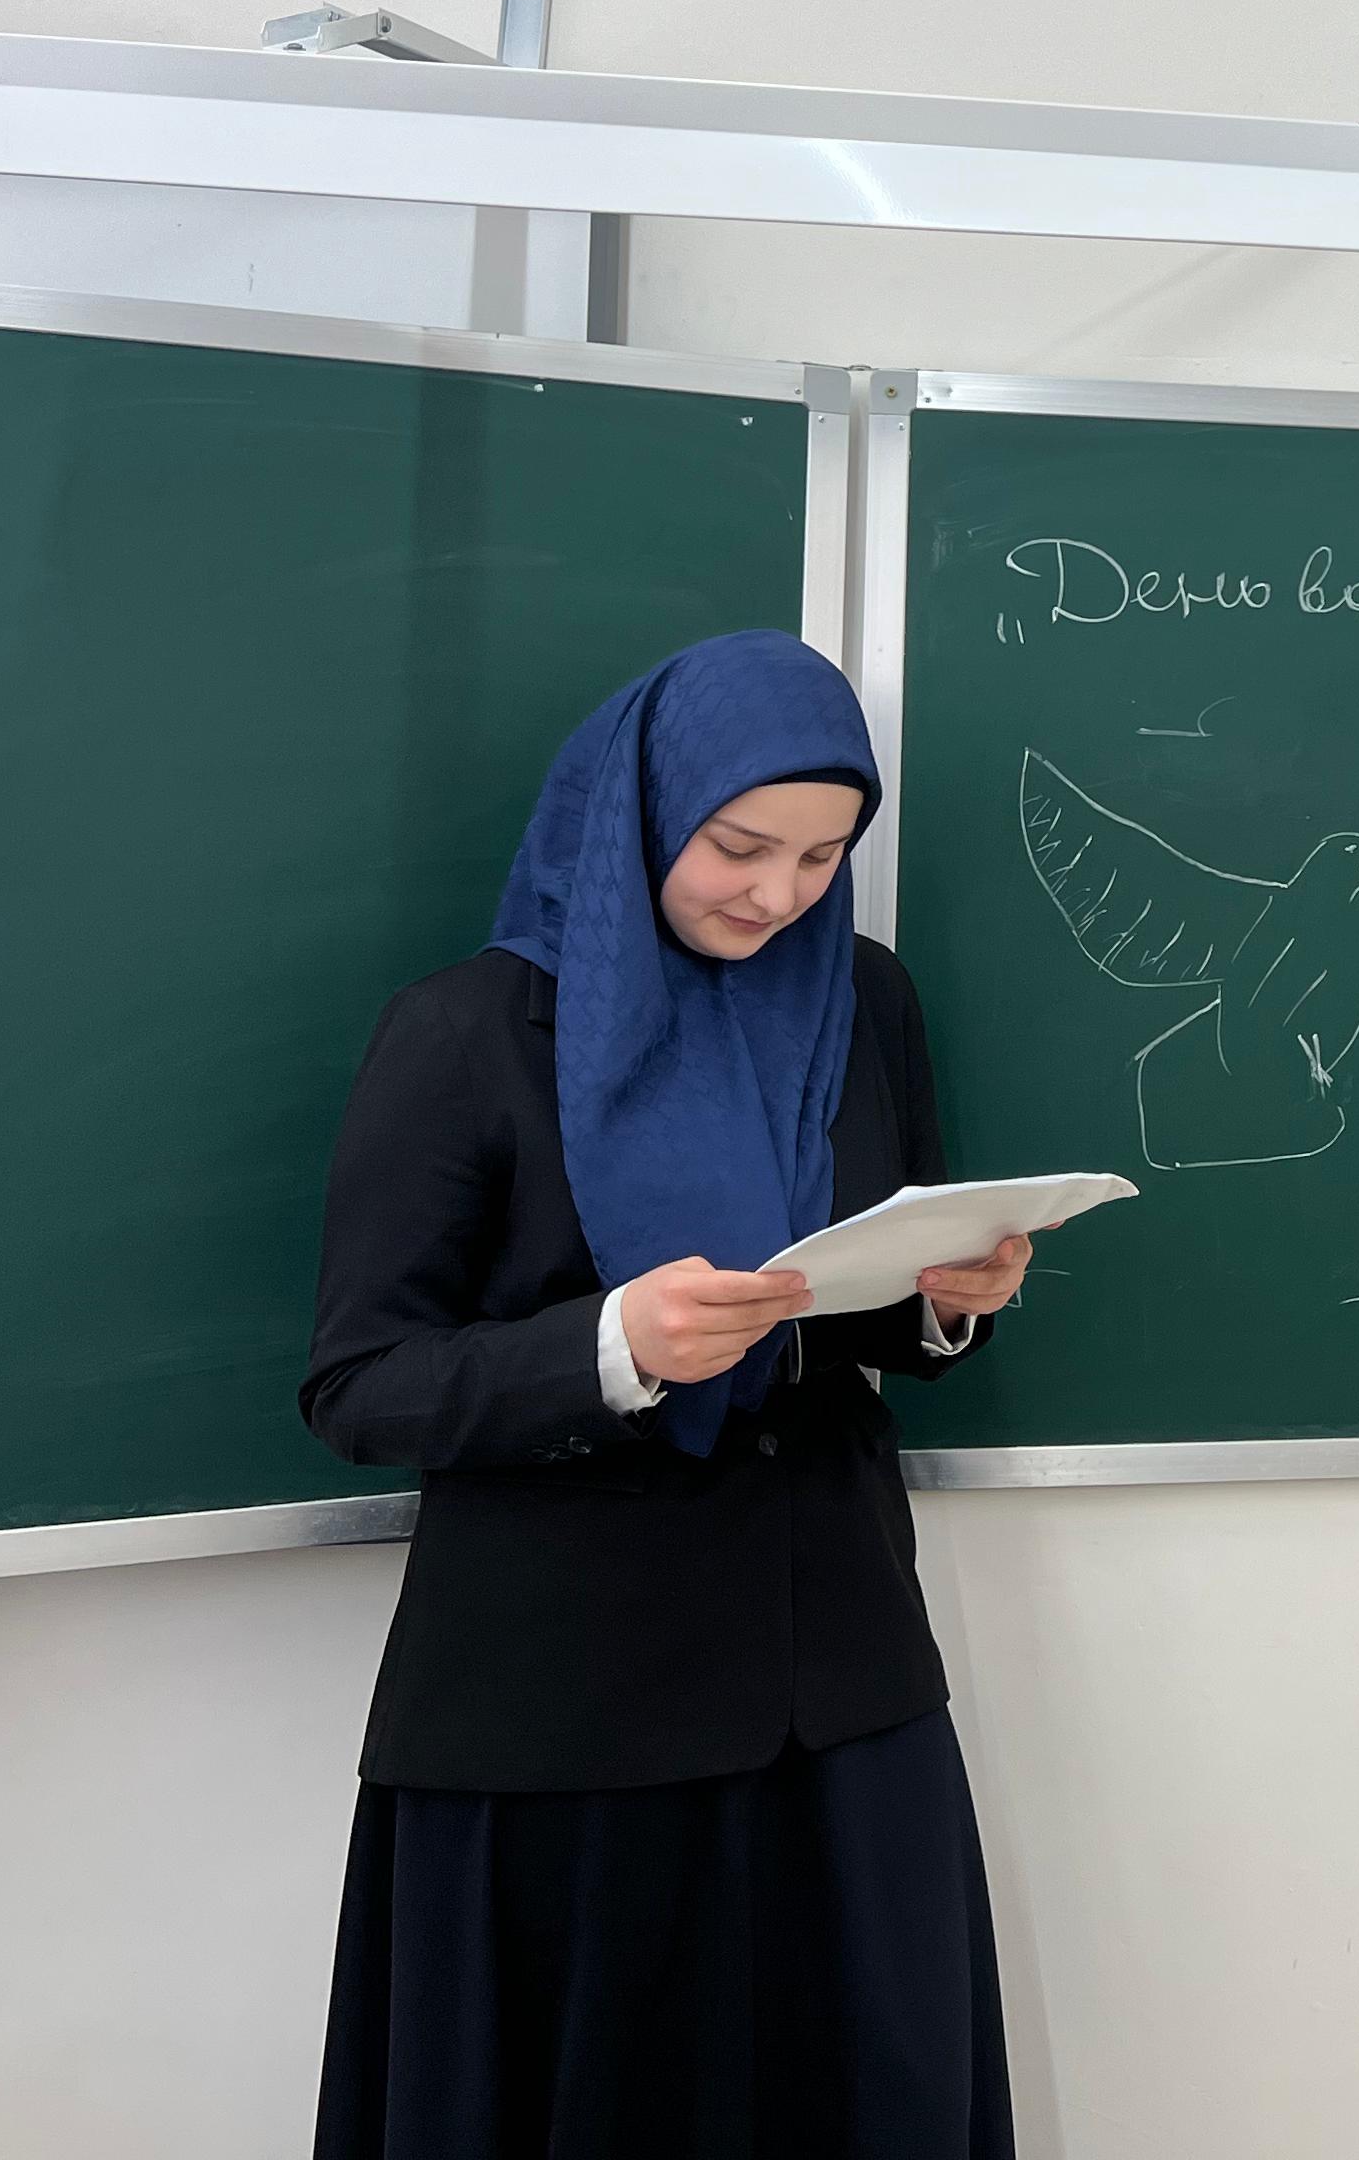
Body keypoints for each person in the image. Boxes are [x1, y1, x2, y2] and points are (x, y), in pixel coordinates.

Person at [302, 629, 1036, 2160]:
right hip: (571, 1711)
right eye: (738, 848)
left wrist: (948, 1302)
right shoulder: (468, 1032)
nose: (779, 896)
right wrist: (614, 1347)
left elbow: (871, 1295)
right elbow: (362, 1383)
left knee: (869, 2092)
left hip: (838, 1688)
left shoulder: (866, 1001)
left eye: (823, 858)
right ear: (639, 811)